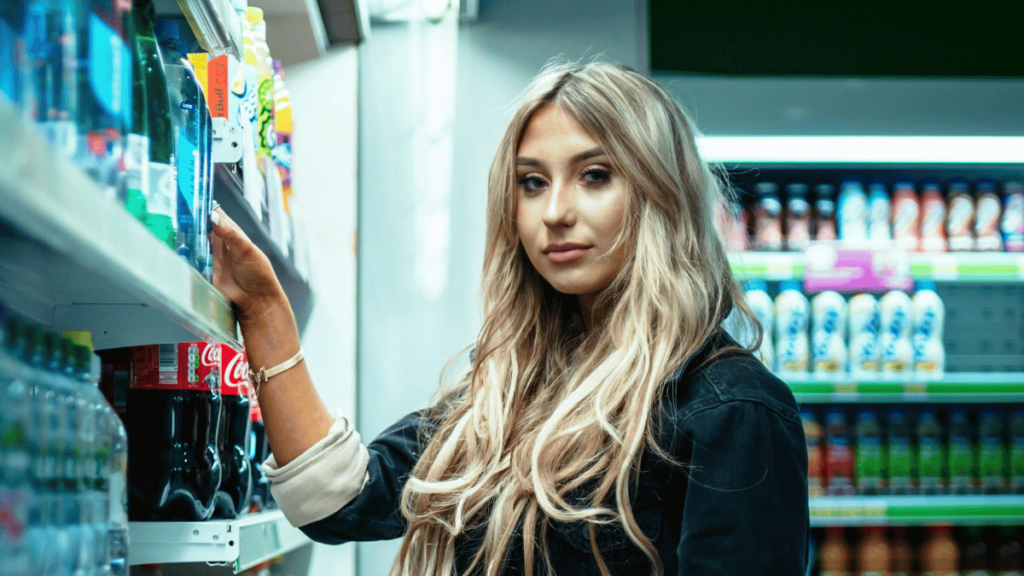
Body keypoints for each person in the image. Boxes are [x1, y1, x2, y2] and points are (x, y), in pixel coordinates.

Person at [210, 62, 809, 576]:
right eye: (532, 182)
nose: (554, 212)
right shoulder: (510, 390)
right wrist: (263, 312)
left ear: (662, 193)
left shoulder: (732, 409)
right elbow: (338, 501)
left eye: (594, 176)